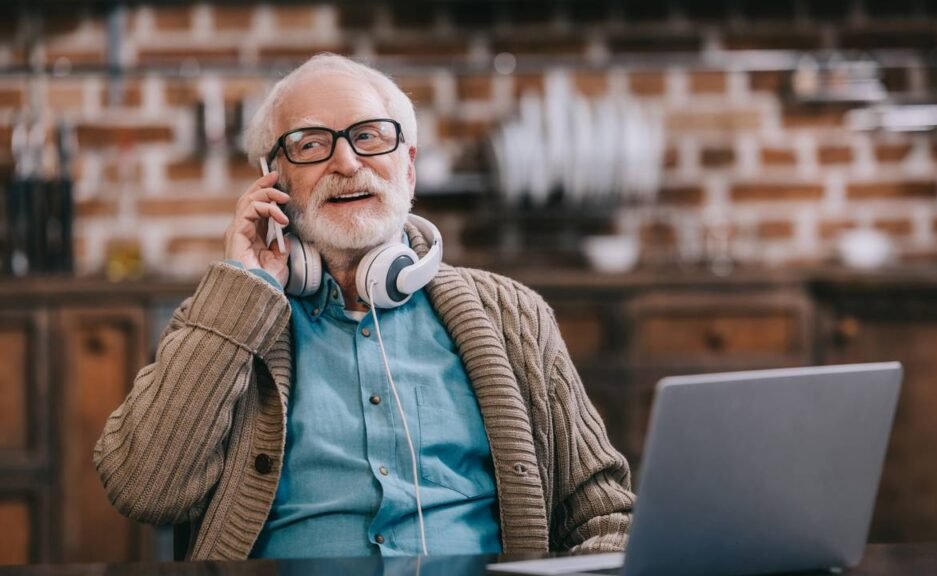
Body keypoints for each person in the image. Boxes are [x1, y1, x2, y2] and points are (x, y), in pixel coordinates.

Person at [93, 53, 633, 561]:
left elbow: (604, 514)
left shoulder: (513, 315)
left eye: (370, 136)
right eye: (309, 144)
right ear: (272, 180)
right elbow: (145, 489)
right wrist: (244, 287)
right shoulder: (220, 317)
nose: (347, 162)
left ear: (409, 168)